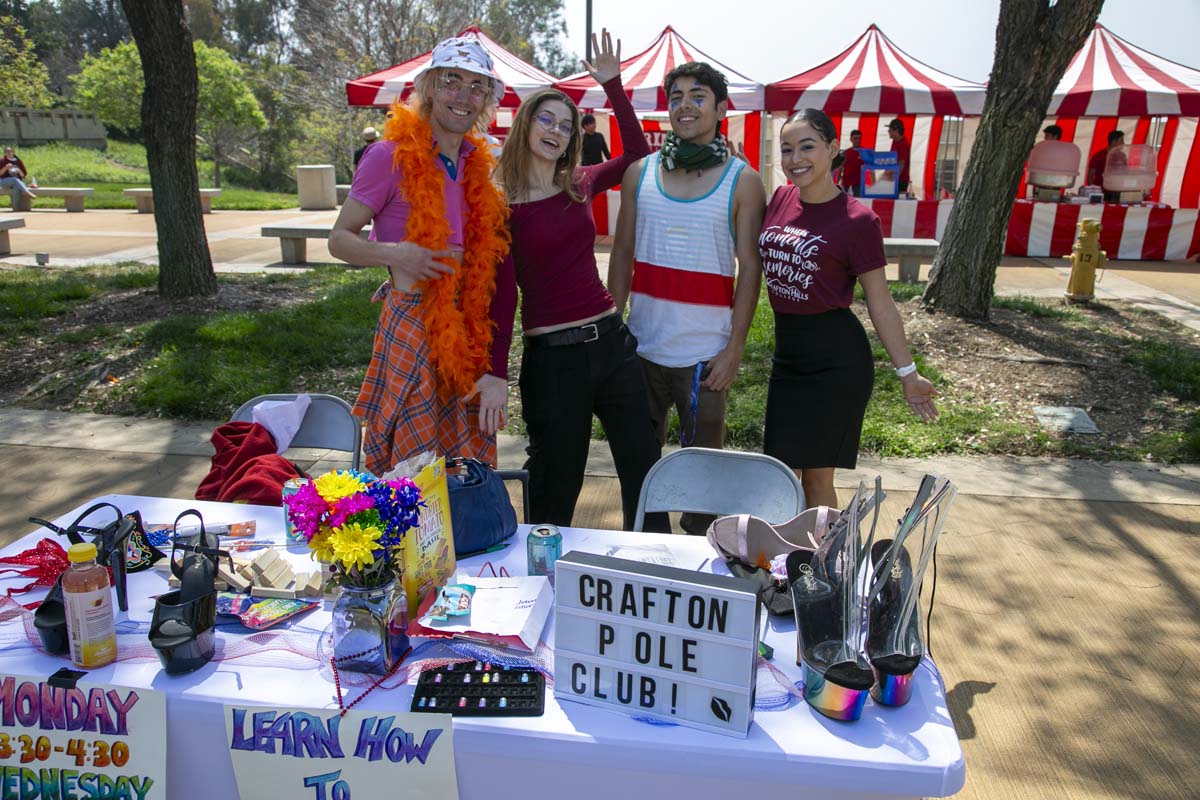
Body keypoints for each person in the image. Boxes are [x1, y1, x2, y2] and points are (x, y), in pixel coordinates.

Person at [495, 29, 665, 532]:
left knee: (644, 467)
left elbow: (636, 151)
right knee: (554, 482)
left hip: (612, 344)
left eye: (566, 125)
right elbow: (502, 296)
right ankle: (542, 590)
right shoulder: (499, 204)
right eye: (545, 119)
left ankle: (656, 569)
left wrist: (613, 84)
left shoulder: (579, 182)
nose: (556, 130)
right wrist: (495, 372)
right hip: (553, 361)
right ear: (525, 125)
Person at [328, 36, 512, 476]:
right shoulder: (387, 156)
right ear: (428, 86)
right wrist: (397, 255)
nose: (463, 96)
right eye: (452, 80)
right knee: (411, 468)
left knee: (462, 464)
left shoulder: (477, 167)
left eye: (476, 86)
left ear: (487, 99)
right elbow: (339, 239)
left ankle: (462, 538)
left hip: (467, 326)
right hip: (413, 321)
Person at [609, 61, 766, 534]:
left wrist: (734, 348)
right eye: (676, 96)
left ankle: (701, 571)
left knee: (702, 484)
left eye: (698, 96)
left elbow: (750, 268)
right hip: (640, 350)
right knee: (640, 474)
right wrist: (613, 328)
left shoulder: (744, 181)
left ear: (721, 109)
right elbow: (621, 254)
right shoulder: (640, 172)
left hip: (705, 361)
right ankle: (646, 557)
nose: (684, 105)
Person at [759, 109, 937, 509]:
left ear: (832, 149)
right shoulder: (781, 198)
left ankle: (823, 566)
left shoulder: (858, 220)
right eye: (787, 149)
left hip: (836, 362)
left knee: (817, 476)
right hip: (787, 359)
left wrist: (908, 373)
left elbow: (880, 301)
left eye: (808, 147)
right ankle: (788, 562)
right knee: (780, 471)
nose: (795, 158)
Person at [1088, 130, 1125, 201]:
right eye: (1121, 140)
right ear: (1113, 142)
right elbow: (1090, 174)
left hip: (1117, 191)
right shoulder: (1099, 155)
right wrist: (1092, 191)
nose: (1123, 143)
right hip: (1102, 192)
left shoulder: (1122, 155)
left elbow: (1125, 172)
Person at [887, 118, 911, 194]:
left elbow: (901, 164)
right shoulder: (895, 141)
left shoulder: (903, 144)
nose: (888, 131)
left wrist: (893, 178)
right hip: (895, 179)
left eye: (890, 129)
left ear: (896, 130)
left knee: (898, 203)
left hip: (901, 180)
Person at [838, 129, 864, 195]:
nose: (858, 140)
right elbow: (840, 168)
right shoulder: (846, 152)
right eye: (855, 138)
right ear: (851, 139)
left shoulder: (864, 153)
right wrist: (837, 183)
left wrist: (873, 182)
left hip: (858, 184)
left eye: (859, 138)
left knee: (857, 202)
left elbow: (871, 169)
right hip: (846, 184)